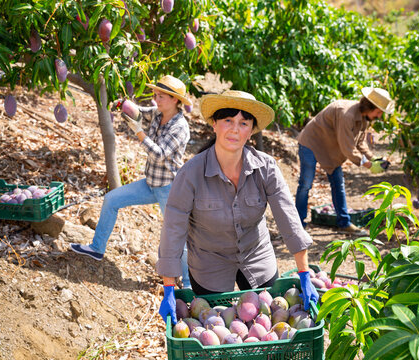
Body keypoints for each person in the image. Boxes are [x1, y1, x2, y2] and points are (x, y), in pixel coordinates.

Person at [156, 90, 319, 324]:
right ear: (214, 124)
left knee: (266, 322)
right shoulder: (191, 174)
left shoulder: (266, 168)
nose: (235, 129)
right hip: (209, 261)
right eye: (228, 121)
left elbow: (289, 219)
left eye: (244, 123)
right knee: (216, 325)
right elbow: (173, 228)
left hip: (256, 254)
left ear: (251, 130)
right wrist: (169, 288)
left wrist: (304, 274)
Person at [70, 75, 191, 289]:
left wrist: (139, 132)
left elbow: (159, 155)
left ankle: (190, 284)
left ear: (175, 100)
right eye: (155, 94)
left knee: (176, 235)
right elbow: (142, 112)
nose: (156, 99)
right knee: (111, 199)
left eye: (161, 96)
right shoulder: (159, 112)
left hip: (169, 189)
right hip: (151, 183)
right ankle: (97, 248)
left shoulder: (180, 127)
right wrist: (124, 106)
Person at [295, 87, 394, 235]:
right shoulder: (346, 114)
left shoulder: (363, 119)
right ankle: (298, 224)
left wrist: (374, 158)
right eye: (379, 112)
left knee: (338, 184)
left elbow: (360, 142)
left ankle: (344, 223)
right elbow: (347, 147)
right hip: (312, 143)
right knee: (305, 184)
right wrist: (366, 164)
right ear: (370, 107)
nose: (379, 116)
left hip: (330, 147)